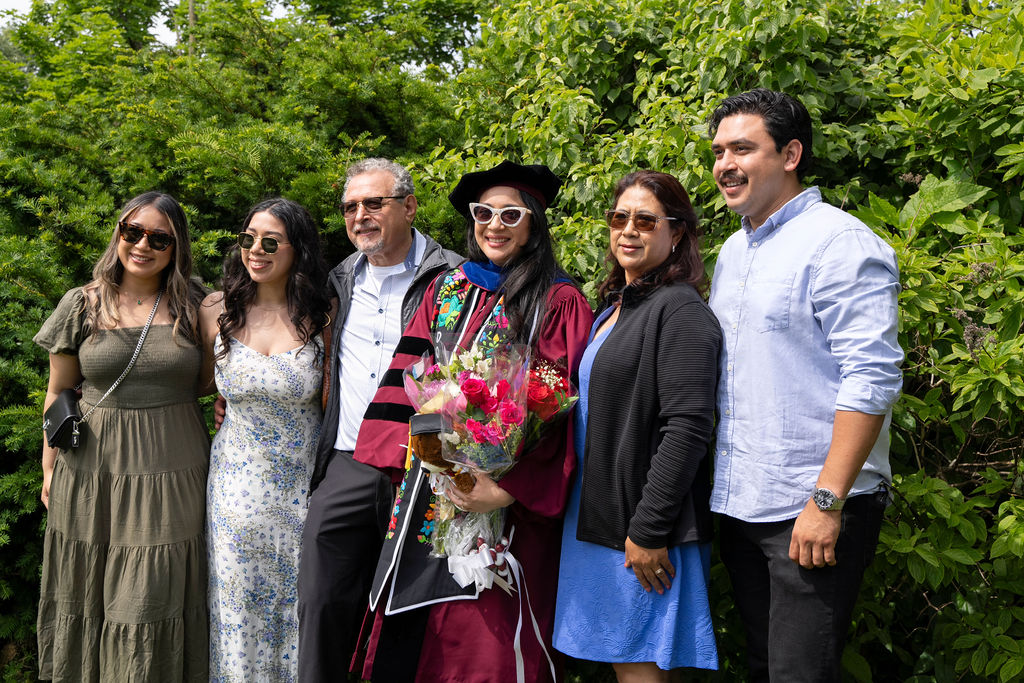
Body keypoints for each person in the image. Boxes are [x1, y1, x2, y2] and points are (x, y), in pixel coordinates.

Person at [352, 161, 593, 682]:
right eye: (484, 213)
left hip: (505, 506)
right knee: (420, 634)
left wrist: (504, 491)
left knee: (484, 641)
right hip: (431, 489)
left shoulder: (557, 300)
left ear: (534, 223)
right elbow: (408, 381)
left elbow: (558, 412)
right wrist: (433, 464)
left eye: (511, 214)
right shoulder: (446, 287)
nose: (495, 225)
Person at [706, 88, 903, 682]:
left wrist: (826, 502)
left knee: (801, 674)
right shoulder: (733, 251)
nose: (724, 165)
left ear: (791, 154)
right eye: (717, 151)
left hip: (810, 508)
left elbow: (871, 378)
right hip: (742, 506)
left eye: (743, 148)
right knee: (768, 666)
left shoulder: (840, 243)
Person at [297, 158, 462, 682]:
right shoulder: (337, 280)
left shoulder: (453, 277)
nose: (361, 216)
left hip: (425, 471)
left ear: (409, 207)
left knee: (409, 613)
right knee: (321, 604)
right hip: (347, 463)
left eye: (375, 203)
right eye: (350, 207)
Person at [552, 171, 721, 680]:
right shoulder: (615, 309)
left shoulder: (680, 310)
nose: (628, 230)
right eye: (618, 218)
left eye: (645, 220)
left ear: (679, 234)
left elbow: (688, 427)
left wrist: (648, 529)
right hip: (598, 518)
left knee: (641, 669)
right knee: (620, 666)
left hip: (641, 529)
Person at [34, 191, 209, 681]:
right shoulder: (82, 303)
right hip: (90, 469)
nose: (142, 245)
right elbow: (58, 392)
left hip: (172, 468)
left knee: (152, 590)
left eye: (159, 238)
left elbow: (215, 382)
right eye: (132, 232)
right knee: (84, 587)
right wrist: (49, 469)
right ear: (118, 233)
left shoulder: (197, 304)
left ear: (177, 247)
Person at [200, 198, 331, 681]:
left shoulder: (325, 315)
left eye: (271, 241)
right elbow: (190, 380)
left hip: (303, 489)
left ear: (298, 250)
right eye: (248, 238)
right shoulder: (217, 310)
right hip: (234, 493)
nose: (256, 249)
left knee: (299, 607)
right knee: (237, 611)